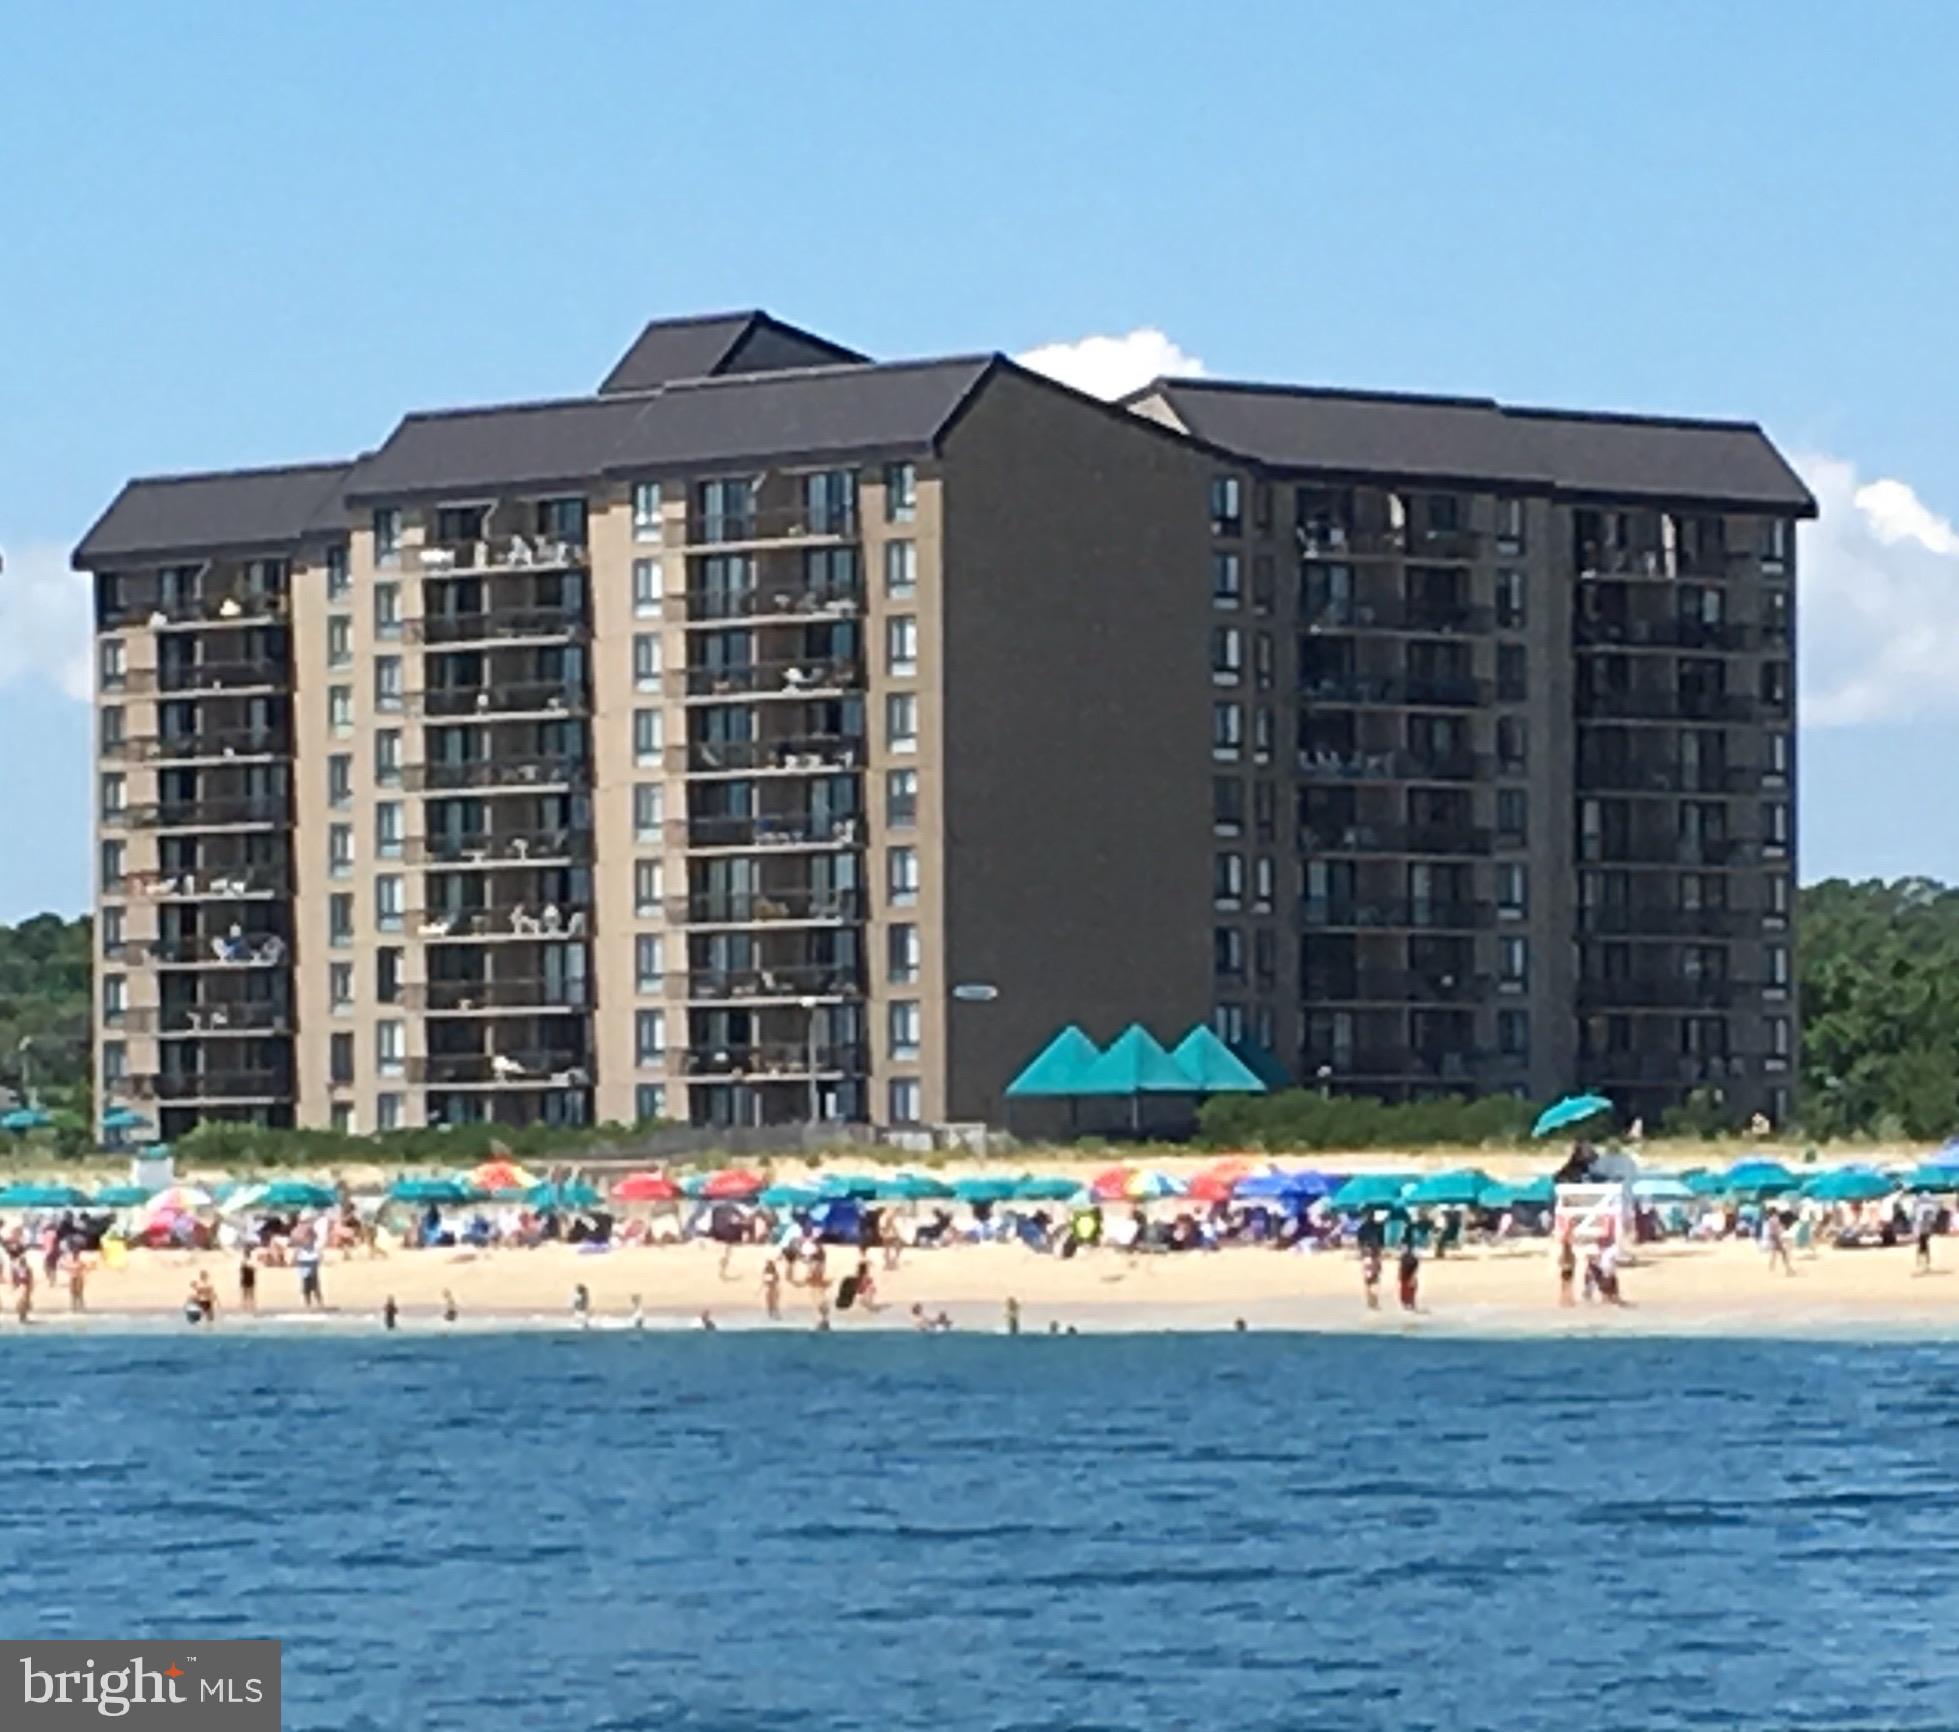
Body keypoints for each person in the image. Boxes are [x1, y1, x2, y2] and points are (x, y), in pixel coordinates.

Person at [1765, 1210, 1794, 1276]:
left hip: (1774, 1237)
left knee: (1776, 1253)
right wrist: (1779, 1242)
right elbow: (1776, 1233)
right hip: (1775, 1238)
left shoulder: (1774, 1220)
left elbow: (1777, 1232)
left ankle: (1772, 1267)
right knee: (1783, 1253)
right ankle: (1788, 1269)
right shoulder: (1776, 1221)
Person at [296, 1242, 323, 1309]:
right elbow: (299, 1261)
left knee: (315, 1288)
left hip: (312, 1271)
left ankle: (320, 1304)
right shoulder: (301, 1252)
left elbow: (318, 1259)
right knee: (306, 1289)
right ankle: (308, 1304)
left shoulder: (314, 1251)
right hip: (305, 1272)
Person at [1397, 1243, 1420, 1313]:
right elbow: (1415, 1268)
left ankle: (1408, 1305)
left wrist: (1399, 1275)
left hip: (1406, 1275)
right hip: (1408, 1275)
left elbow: (1401, 1268)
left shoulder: (1404, 1258)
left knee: (1405, 1290)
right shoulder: (1413, 1259)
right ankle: (1411, 1305)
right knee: (1410, 1291)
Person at [1557, 1230, 1578, 1307]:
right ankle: (1568, 1300)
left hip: (1566, 1266)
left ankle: (1564, 1300)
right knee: (1568, 1284)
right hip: (1568, 1266)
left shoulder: (1566, 1250)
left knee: (1565, 1284)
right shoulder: (1568, 1250)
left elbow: (1560, 1260)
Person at [1361, 1245, 1383, 1311]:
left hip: (1369, 1275)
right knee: (1373, 1290)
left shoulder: (1368, 1259)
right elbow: (1379, 1268)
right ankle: (1374, 1303)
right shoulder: (1377, 1259)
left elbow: (1365, 1267)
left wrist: (1365, 1273)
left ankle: (1371, 1303)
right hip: (1374, 1275)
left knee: (1369, 1289)